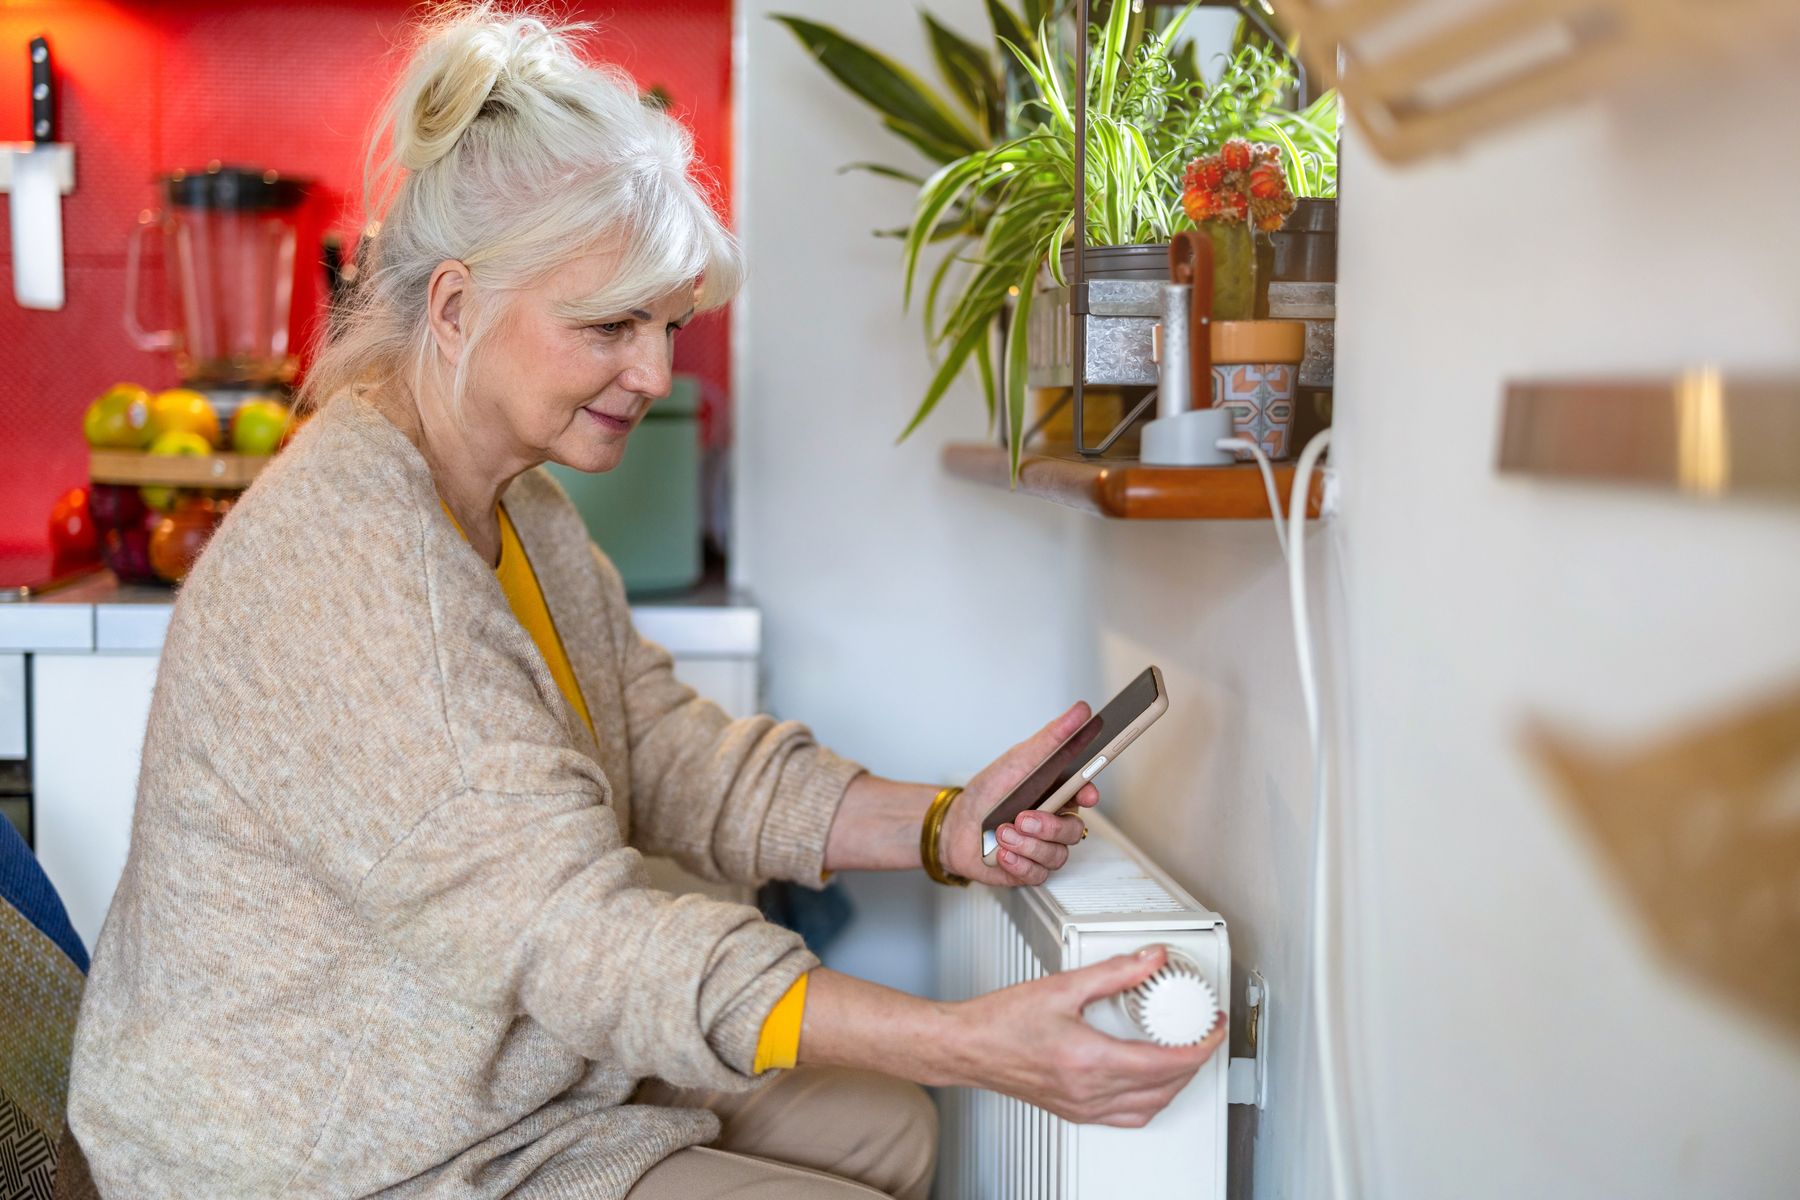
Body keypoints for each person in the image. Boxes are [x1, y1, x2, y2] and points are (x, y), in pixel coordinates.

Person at [65, 6, 1223, 1198]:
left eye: (668, 324)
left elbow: (666, 752)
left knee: (896, 1131)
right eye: (611, 324)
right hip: (324, 1145)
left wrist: (941, 824)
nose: (657, 373)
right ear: (456, 310)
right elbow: (585, 941)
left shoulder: (517, 510)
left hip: (481, 1063)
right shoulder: (360, 574)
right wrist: (970, 1040)